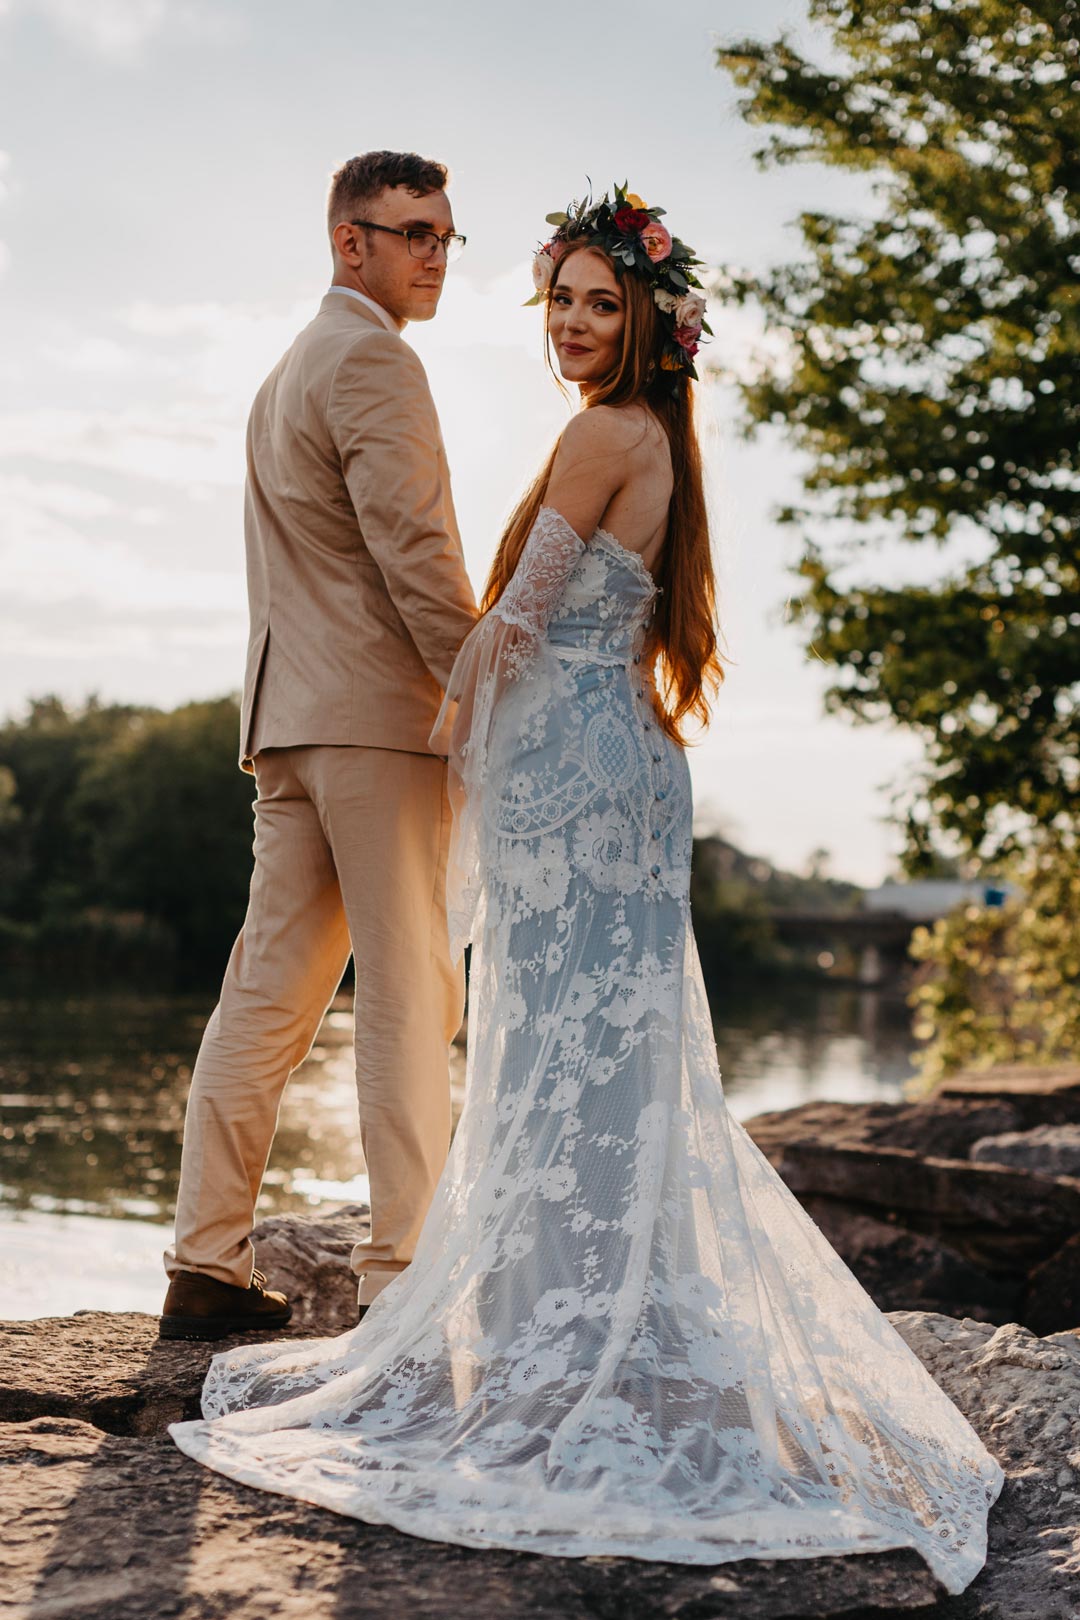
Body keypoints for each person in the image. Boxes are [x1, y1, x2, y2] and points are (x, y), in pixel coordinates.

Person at [169, 186, 1002, 1593]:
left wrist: (452, 724)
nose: (567, 321)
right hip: (615, 768)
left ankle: (499, 1313)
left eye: (596, 301)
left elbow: (503, 630)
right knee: (599, 1064)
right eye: (556, 297)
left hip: (560, 773)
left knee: (531, 1044)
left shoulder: (592, 434)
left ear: (650, 326)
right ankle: (586, 1318)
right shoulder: (649, 442)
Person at [159, 151, 478, 1341]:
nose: (433, 255)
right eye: (411, 234)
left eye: (447, 236)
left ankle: (204, 1261)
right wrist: (487, 692)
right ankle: (406, 1281)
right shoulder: (376, 362)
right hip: (380, 724)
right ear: (352, 242)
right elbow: (416, 554)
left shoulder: (288, 368)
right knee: (409, 991)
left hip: (288, 724)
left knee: (267, 996)